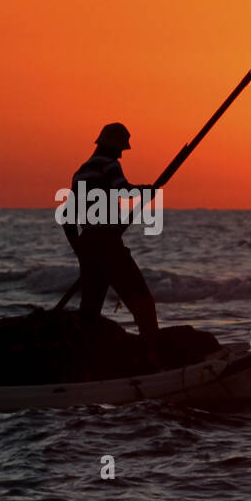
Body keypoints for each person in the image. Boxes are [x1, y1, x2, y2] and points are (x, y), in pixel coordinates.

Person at [65, 122, 160, 345]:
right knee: (143, 304)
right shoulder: (110, 165)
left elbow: (67, 217)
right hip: (108, 246)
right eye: (120, 149)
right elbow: (123, 190)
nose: (121, 154)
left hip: (88, 245)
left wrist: (79, 248)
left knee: (89, 313)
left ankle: (85, 359)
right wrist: (146, 191)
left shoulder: (80, 172)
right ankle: (154, 353)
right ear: (112, 146)